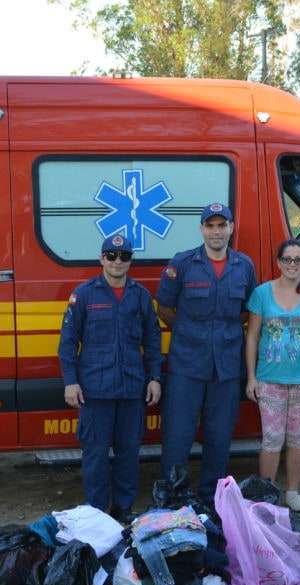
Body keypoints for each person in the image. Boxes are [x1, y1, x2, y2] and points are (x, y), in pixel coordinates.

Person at [156, 203, 257, 504]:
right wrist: (190, 331)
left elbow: (246, 310)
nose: (216, 231)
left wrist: (220, 334)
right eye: (210, 226)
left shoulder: (244, 266)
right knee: (178, 435)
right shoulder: (183, 263)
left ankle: (212, 499)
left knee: (219, 435)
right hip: (186, 364)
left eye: (221, 225)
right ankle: (174, 497)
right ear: (201, 229)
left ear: (231, 227)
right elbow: (164, 308)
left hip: (225, 365)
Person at [58, 234, 162, 523]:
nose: (118, 262)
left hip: (131, 387)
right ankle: (97, 512)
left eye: (124, 256)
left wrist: (154, 377)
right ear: (102, 258)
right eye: (111, 256)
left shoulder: (140, 296)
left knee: (129, 453)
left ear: (130, 260)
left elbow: (153, 340)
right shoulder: (85, 295)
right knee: (96, 454)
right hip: (95, 389)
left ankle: (124, 509)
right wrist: (70, 381)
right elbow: (68, 342)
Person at [244, 239, 300, 512]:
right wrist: (251, 377)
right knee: (271, 440)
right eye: (287, 259)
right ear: (279, 262)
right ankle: (267, 495)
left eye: (298, 259)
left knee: (297, 439)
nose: (292, 264)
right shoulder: (261, 294)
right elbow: (252, 336)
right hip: (269, 380)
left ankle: (292, 493)